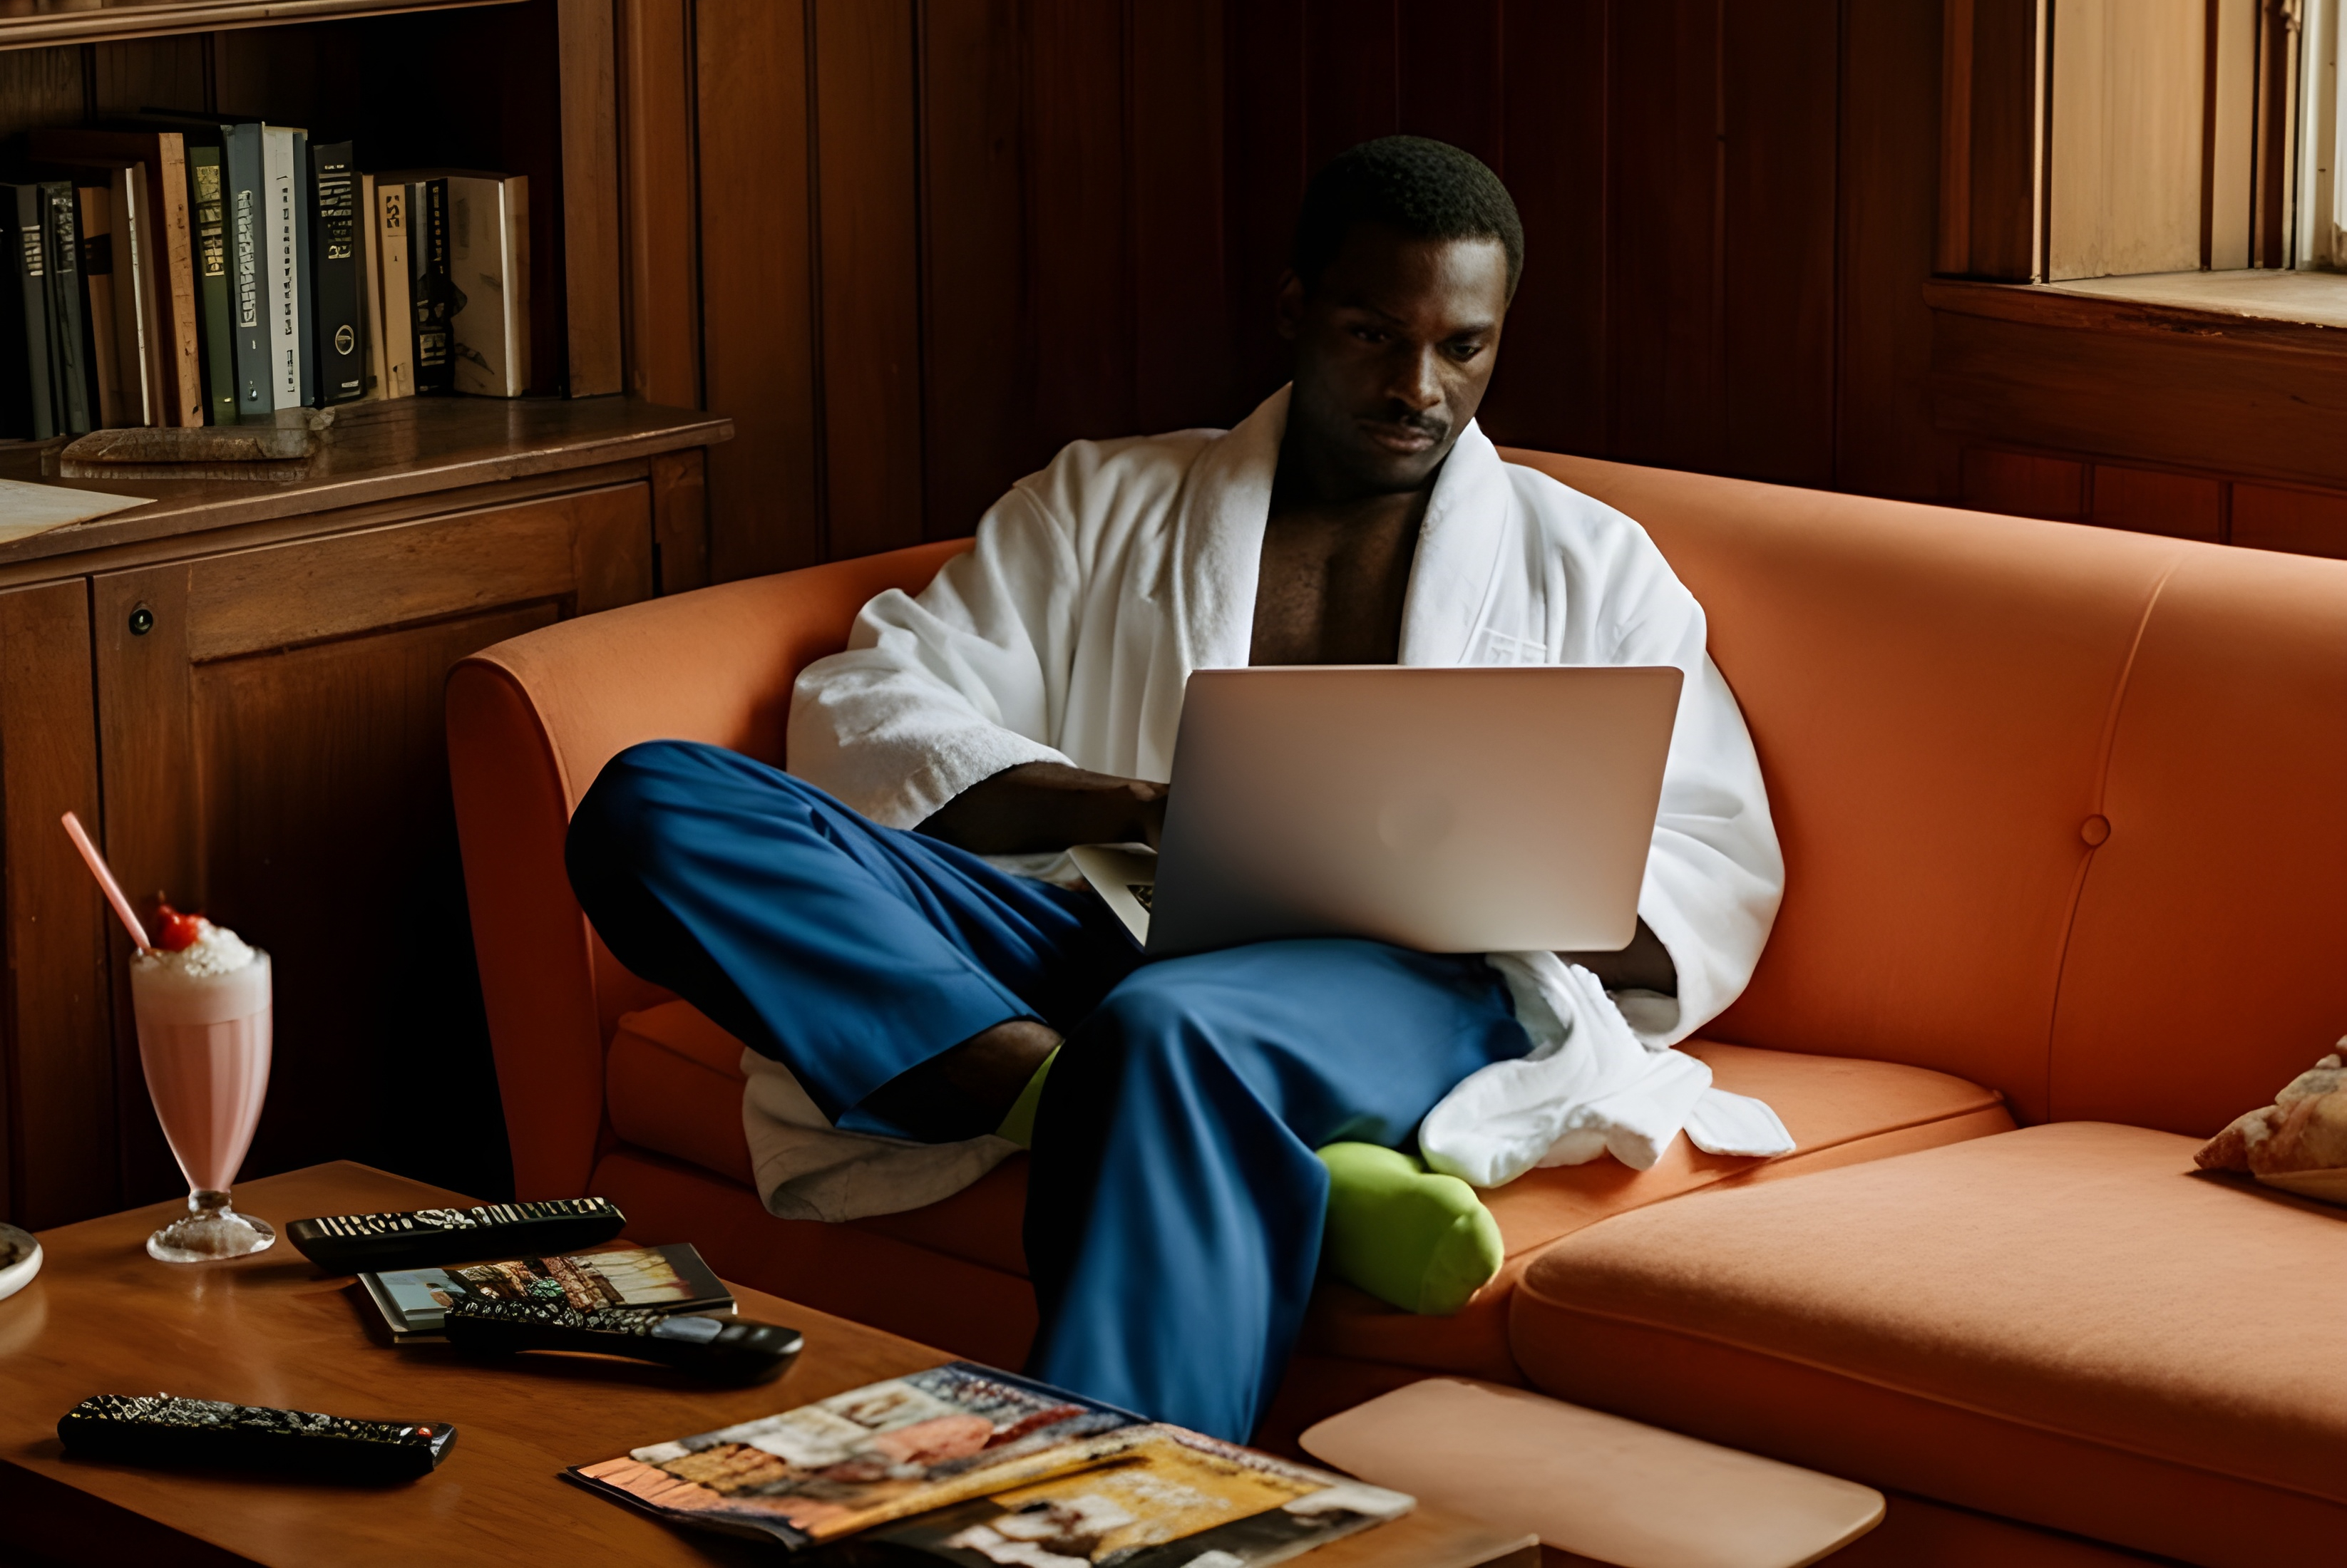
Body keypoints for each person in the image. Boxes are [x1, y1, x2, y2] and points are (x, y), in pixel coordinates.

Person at [565, 136, 1782, 1443]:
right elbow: (877, 706)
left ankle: (1098, 1503)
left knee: (1171, 1030)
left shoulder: (1589, 564)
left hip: (1406, 983)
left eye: (1464, 348)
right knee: (656, 805)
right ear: (1293, 309)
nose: (1418, 387)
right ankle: (1135, 1112)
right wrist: (1134, 808)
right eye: (1376, 334)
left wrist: (1504, 870)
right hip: (1106, 924)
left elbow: (1712, 855)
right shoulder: (1108, 498)